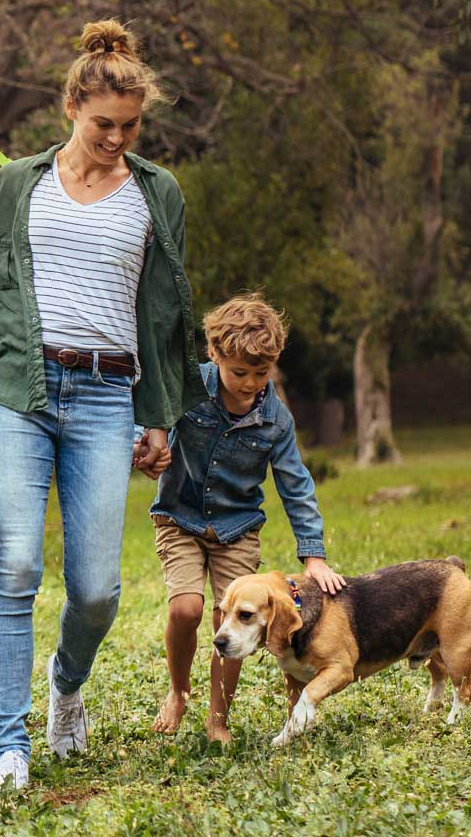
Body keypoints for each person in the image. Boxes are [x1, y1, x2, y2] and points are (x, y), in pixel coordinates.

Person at [0, 19, 207, 792]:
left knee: (95, 590)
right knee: (14, 564)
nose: (117, 138)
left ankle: (66, 681)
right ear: (71, 108)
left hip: (108, 395)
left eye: (130, 126)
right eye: (102, 124)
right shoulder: (17, 184)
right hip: (18, 390)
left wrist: (161, 414)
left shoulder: (157, 194)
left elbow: (168, 313)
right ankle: (8, 746)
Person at [149, 293, 345, 742]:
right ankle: (179, 691)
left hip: (237, 530)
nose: (251, 383)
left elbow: (296, 485)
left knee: (233, 619)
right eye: (239, 372)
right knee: (186, 609)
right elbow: (149, 425)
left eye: (262, 373)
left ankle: (218, 719)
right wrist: (145, 450)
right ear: (215, 355)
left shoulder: (276, 419)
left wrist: (313, 556)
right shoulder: (187, 388)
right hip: (180, 518)